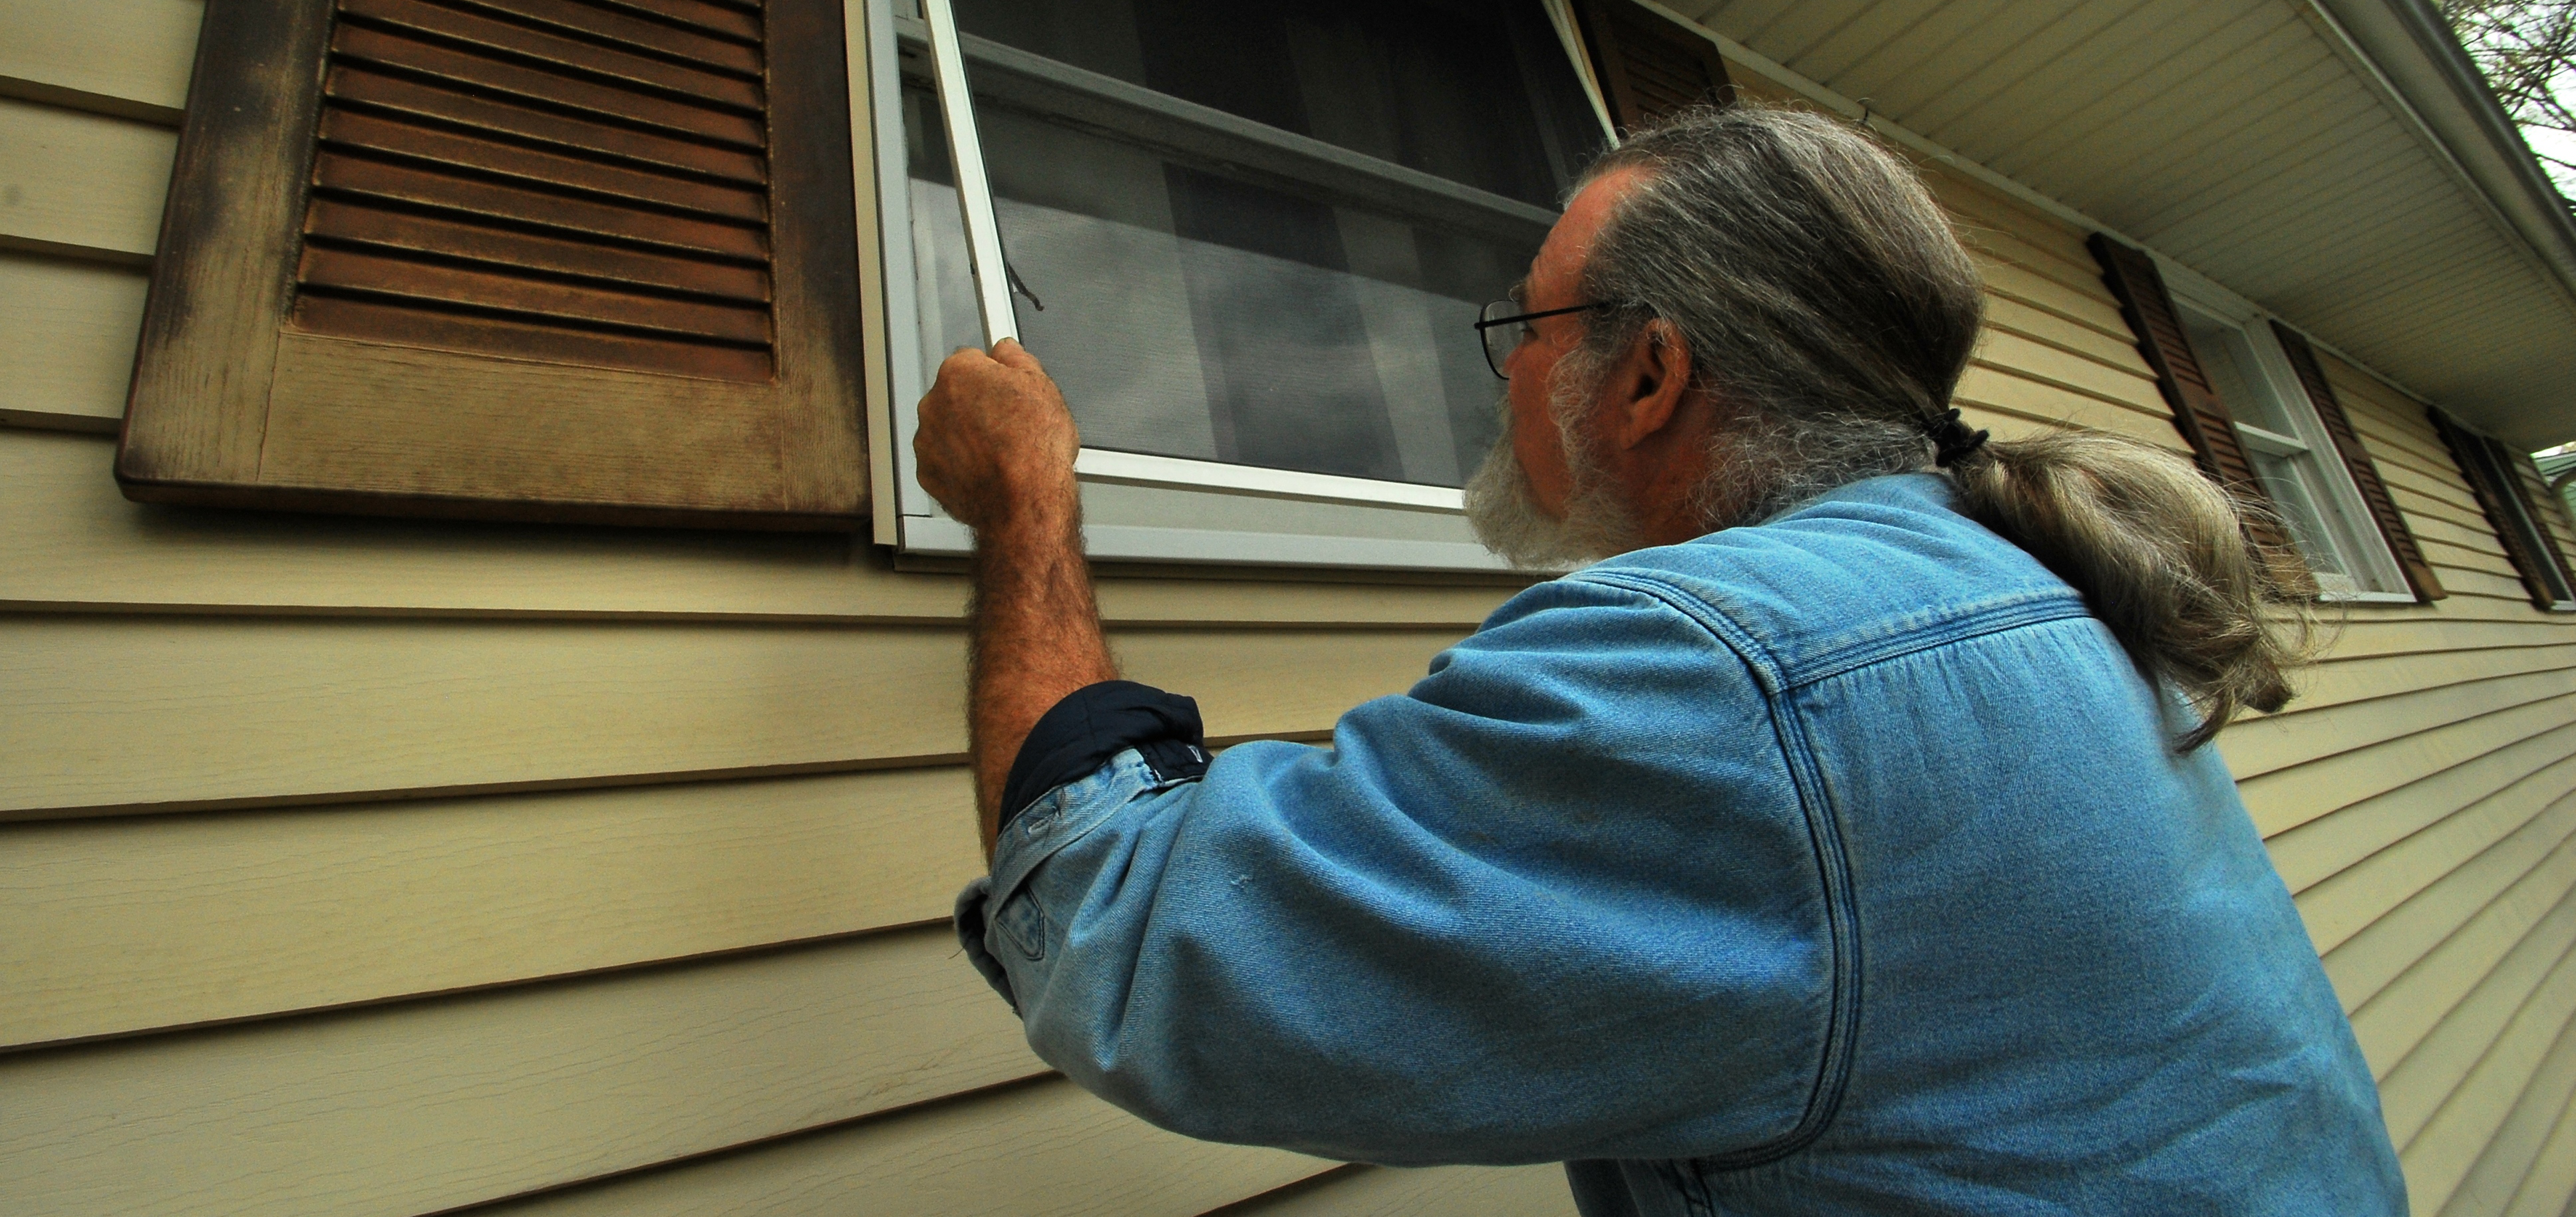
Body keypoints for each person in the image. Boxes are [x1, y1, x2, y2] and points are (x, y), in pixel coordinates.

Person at [915, 104, 2404, 1215]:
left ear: (1647, 373)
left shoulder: (1725, 673)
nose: (1504, 367)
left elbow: (1126, 935)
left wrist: (1027, 503)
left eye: (1527, 323)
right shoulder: (2023, 577)